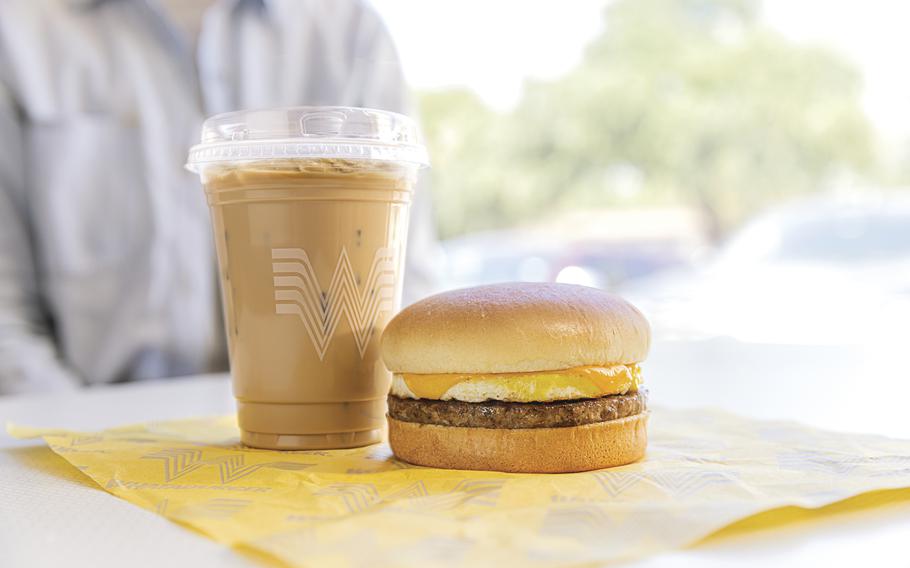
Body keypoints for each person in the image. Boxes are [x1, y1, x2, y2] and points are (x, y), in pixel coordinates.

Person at [0, 0, 438, 394]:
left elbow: (404, 285)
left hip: (323, 442)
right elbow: (7, 319)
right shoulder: (20, 33)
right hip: (81, 430)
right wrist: (77, 442)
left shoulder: (350, 34)